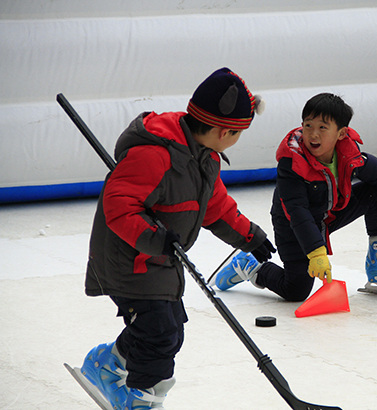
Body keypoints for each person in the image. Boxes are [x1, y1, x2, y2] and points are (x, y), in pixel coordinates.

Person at [78, 67, 275, 409]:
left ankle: (110, 364)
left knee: (169, 330)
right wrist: (156, 238)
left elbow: (216, 206)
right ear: (223, 130)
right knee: (159, 331)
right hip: (129, 259)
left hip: (162, 258)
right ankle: (136, 395)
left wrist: (249, 237)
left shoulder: (205, 158)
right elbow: (119, 207)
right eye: (238, 132)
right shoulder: (157, 154)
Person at [211, 92, 377, 302]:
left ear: (341, 133)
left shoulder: (348, 153)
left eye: (323, 127)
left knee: (375, 190)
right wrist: (316, 253)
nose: (313, 134)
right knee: (296, 290)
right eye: (308, 125)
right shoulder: (292, 163)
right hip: (292, 226)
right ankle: (251, 266)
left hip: (328, 214)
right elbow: (297, 211)